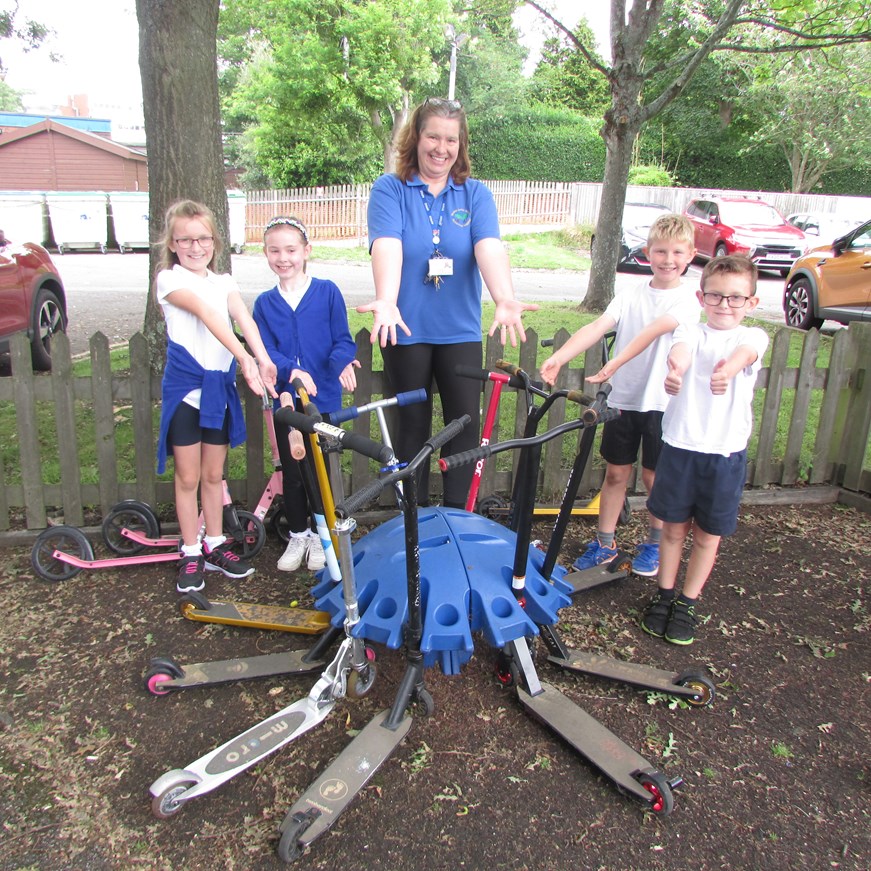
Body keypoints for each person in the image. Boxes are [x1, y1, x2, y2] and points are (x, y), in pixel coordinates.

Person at [358, 97, 537, 507]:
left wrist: (504, 298)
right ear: (416, 137)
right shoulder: (391, 189)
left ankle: (458, 517)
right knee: (413, 426)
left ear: (462, 144)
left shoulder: (474, 194)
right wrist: (387, 300)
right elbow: (387, 246)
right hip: (407, 328)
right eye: (433, 136)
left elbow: (488, 248)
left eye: (451, 139)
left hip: (458, 330)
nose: (442, 148)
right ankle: (413, 523)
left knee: (463, 426)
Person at [590, 254, 769, 644]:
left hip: (723, 456)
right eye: (716, 296)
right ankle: (665, 594)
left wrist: (726, 371)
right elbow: (681, 351)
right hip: (680, 448)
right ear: (702, 297)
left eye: (735, 298)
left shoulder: (752, 337)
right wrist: (675, 371)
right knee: (672, 530)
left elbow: (745, 356)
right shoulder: (691, 330)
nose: (724, 305)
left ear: (751, 303)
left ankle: (687, 603)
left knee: (706, 536)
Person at [539, 213, 699, 577]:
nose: (668, 259)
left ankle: (656, 543)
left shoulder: (689, 300)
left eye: (677, 252)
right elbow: (598, 326)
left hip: (663, 405)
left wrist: (617, 365)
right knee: (615, 474)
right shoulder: (631, 295)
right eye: (661, 251)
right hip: (623, 401)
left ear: (690, 254)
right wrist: (560, 357)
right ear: (648, 252)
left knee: (653, 479)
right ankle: (604, 542)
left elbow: (657, 334)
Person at [155, 199, 277, 594]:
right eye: (185, 239)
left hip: (218, 394)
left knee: (212, 475)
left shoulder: (224, 282)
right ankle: (191, 550)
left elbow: (243, 317)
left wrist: (263, 359)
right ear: (172, 243)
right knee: (188, 476)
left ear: (215, 241)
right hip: (187, 392)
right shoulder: (169, 280)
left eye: (203, 238)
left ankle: (214, 544)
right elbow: (207, 315)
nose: (195, 246)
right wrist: (244, 358)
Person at [253, 216, 359, 572]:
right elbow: (266, 352)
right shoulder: (265, 305)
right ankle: (299, 534)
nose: (283, 257)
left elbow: (343, 340)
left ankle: (320, 533)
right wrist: (291, 371)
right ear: (266, 253)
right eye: (274, 250)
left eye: (291, 249)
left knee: (321, 470)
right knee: (294, 471)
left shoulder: (327, 292)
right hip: (286, 402)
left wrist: (341, 361)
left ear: (306, 251)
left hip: (323, 399)